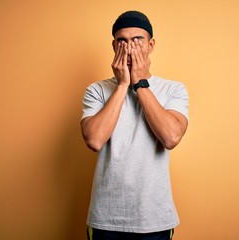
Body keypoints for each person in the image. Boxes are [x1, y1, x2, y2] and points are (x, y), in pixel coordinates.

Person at [80, 10, 189, 240]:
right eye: (122, 41)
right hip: (105, 219)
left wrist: (140, 83)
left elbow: (171, 137)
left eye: (137, 40)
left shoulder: (173, 90)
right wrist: (122, 85)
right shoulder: (97, 90)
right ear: (113, 46)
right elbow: (94, 140)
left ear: (151, 45)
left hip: (155, 219)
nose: (129, 48)